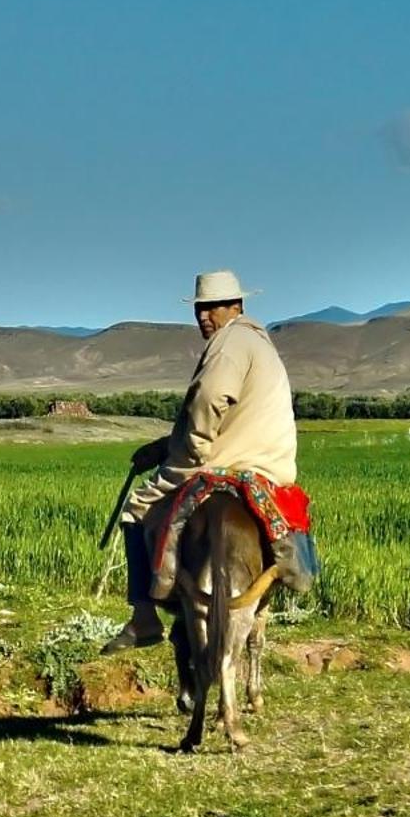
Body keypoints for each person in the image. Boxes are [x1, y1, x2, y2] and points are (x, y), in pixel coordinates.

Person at [102, 270, 297, 651]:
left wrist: (188, 449)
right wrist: (162, 445)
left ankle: (144, 617)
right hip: (272, 463)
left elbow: (209, 399)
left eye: (214, 307)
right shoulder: (260, 343)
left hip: (226, 459)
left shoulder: (229, 342)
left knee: (137, 509)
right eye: (201, 308)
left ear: (236, 307)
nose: (205, 316)